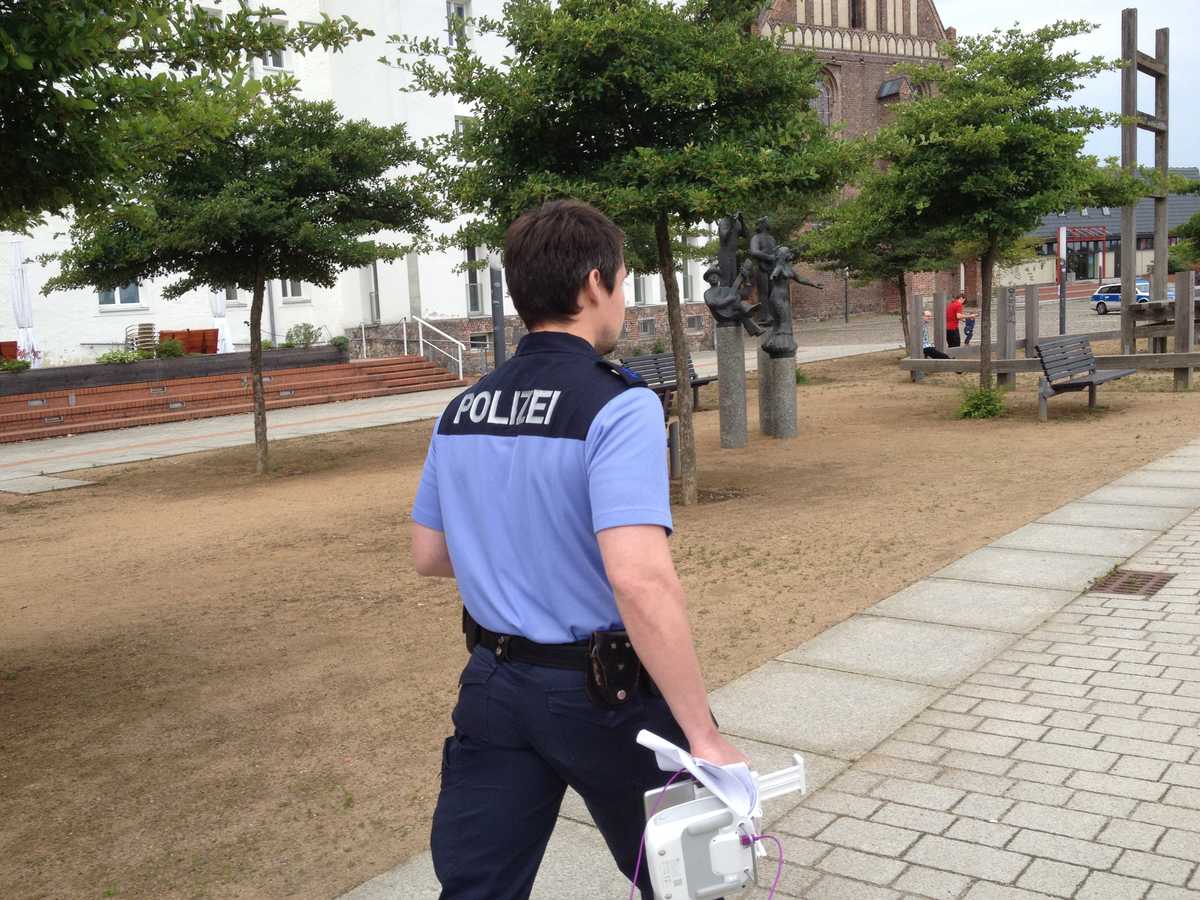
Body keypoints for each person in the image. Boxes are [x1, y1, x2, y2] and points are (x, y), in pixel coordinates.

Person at [411, 199, 746, 900]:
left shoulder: (463, 408)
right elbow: (641, 581)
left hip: (493, 685)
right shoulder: (619, 403)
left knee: (478, 888)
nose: (622, 299)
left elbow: (432, 554)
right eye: (624, 283)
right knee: (687, 881)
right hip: (606, 695)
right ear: (596, 283)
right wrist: (700, 734)